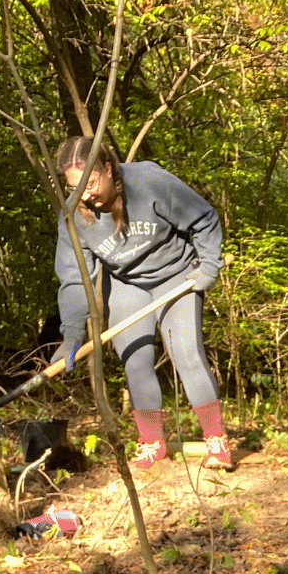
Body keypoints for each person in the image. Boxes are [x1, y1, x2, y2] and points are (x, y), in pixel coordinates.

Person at [52, 136, 232, 470]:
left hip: (178, 277)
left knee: (187, 354)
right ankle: (152, 443)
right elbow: (75, 277)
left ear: (108, 169)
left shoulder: (148, 181)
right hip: (126, 283)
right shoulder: (75, 215)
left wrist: (208, 267)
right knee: (135, 361)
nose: (85, 195)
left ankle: (216, 440)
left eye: (90, 184)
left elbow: (204, 218)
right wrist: (71, 333)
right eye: (75, 187)